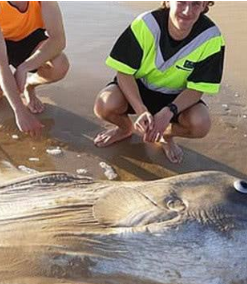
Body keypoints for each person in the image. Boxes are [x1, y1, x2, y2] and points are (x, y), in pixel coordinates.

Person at [93, 1, 225, 163]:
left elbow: (196, 90)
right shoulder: (146, 24)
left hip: (176, 98)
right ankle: (125, 128)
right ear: (168, 1)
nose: (187, 11)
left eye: (196, 4)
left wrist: (169, 111)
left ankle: (164, 135)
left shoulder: (211, 38)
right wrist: (141, 110)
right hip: (138, 88)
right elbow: (124, 73)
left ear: (205, 5)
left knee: (200, 124)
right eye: (181, 2)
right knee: (104, 105)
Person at [0, 1, 70, 136]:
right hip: (0, 37)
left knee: (60, 64)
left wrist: (24, 68)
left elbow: (58, 40)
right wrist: (19, 110)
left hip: (31, 36)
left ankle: (29, 87)